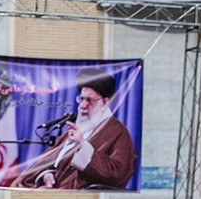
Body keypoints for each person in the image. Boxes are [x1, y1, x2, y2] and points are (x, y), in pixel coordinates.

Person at [7, 67, 137, 190]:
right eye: (81, 99)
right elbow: (51, 163)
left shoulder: (117, 132)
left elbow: (118, 174)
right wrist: (46, 174)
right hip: (55, 190)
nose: (83, 105)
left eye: (89, 100)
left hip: (79, 197)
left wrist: (82, 145)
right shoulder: (76, 129)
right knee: (19, 188)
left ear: (104, 102)